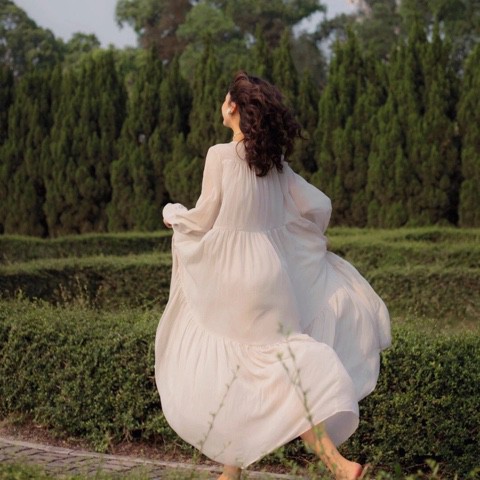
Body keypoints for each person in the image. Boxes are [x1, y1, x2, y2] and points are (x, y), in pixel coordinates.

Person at [155, 71, 391, 480]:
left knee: (255, 367)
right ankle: (233, 473)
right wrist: (300, 240)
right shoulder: (274, 163)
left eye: (225, 98)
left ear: (232, 107)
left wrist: (173, 214)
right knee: (259, 365)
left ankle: (338, 465)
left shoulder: (220, 156)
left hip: (234, 278)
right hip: (271, 272)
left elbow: (205, 216)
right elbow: (318, 205)